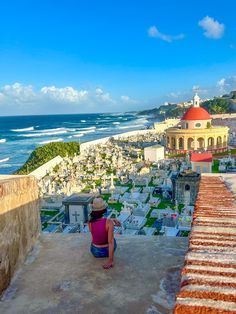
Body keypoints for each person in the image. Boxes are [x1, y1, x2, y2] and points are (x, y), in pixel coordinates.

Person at [88, 197, 120, 269]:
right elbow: (110, 242)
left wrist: (112, 219)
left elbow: (97, 231)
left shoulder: (89, 222)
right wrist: (110, 261)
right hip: (106, 251)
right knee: (113, 239)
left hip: (95, 251)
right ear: (104, 210)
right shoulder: (109, 223)